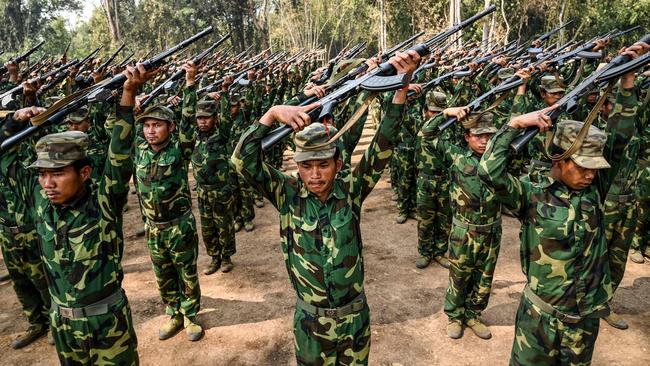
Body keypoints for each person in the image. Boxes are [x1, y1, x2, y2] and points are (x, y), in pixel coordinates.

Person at [232, 50, 420, 365]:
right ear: (296, 166)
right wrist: (273, 113)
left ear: (337, 163)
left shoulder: (350, 191)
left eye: (323, 165)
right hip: (310, 324)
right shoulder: (286, 193)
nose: (316, 175)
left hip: (353, 321)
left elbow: (384, 143)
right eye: (307, 167)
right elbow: (241, 160)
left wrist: (402, 86)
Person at [478, 41, 646, 365]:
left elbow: (621, 135)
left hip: (583, 321)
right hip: (539, 319)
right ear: (558, 158)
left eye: (594, 168)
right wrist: (513, 125)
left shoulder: (596, 189)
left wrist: (628, 80)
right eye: (580, 166)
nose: (588, 175)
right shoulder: (531, 193)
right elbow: (488, 172)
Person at [0, 61, 155, 364]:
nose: (47, 183)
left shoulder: (103, 202)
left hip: (107, 325)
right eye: (42, 174)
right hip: (63, 325)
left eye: (57, 174)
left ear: (84, 172)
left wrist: (127, 96)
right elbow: (6, 154)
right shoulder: (40, 201)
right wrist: (19, 116)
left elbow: (119, 157)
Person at [134, 60, 203, 341]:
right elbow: (117, 127)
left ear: (170, 128)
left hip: (179, 225)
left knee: (186, 272)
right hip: (153, 227)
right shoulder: (138, 150)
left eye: (157, 125)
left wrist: (189, 83)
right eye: (147, 125)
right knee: (162, 274)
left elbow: (189, 121)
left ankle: (189, 316)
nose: (151, 130)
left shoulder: (179, 148)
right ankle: (173, 313)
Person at [421, 109, 501, 340]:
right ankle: (455, 316)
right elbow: (427, 134)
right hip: (464, 230)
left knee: (484, 277)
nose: (484, 140)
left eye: (488, 136)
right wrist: (446, 114)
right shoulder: (456, 156)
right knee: (459, 275)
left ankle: (473, 315)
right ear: (467, 136)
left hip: (491, 230)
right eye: (478, 135)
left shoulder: (498, 159)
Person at [191, 99, 237, 275]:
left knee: (224, 225)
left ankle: (226, 257)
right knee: (207, 227)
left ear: (215, 118)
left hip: (221, 190)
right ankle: (214, 257)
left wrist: (225, 94)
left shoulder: (221, 134)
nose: (202, 121)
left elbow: (226, 119)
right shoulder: (193, 137)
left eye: (207, 118)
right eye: (199, 118)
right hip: (203, 191)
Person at [415, 91, 452, 269]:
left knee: (445, 220)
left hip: (446, 180)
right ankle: (425, 252)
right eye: (432, 111)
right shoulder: (423, 128)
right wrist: (444, 115)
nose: (435, 115)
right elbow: (428, 129)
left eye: (440, 112)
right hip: (426, 181)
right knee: (425, 220)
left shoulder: (449, 131)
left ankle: (439, 252)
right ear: (425, 111)